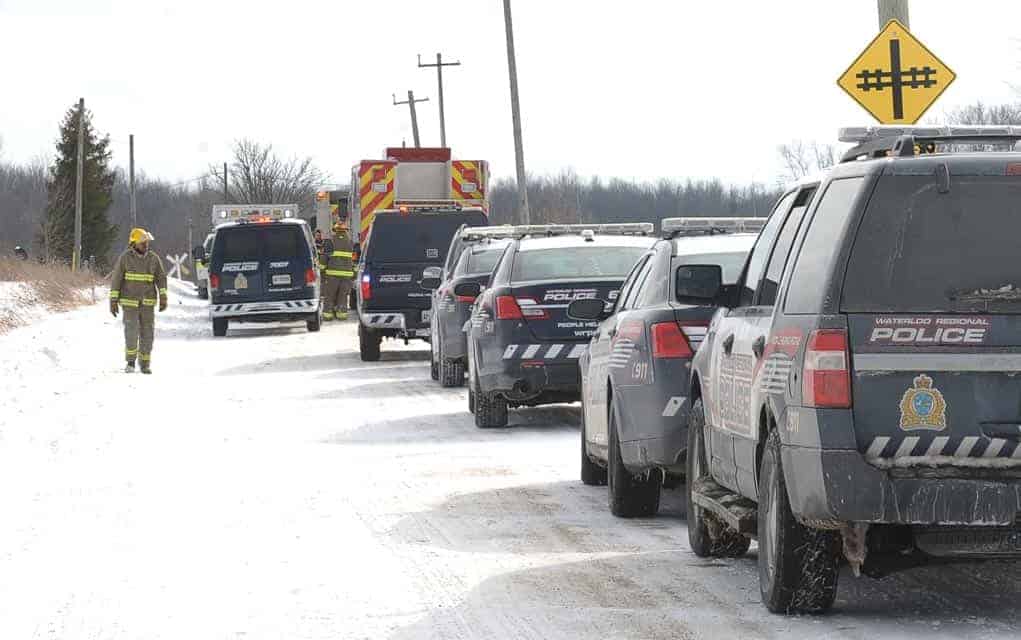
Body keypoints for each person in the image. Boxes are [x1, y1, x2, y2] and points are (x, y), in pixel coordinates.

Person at [109, 228, 167, 374]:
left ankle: (145, 363)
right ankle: (130, 362)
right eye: (142, 243)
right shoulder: (125, 258)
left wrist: (163, 296)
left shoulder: (154, 259)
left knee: (148, 334)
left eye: (146, 242)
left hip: (147, 303)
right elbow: (116, 279)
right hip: (130, 304)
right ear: (134, 244)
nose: (146, 245)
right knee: (131, 332)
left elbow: (161, 278)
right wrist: (113, 300)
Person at [321, 221, 355, 321]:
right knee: (343, 296)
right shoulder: (350, 242)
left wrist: (321, 270)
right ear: (345, 231)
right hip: (347, 275)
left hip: (332, 274)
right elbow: (353, 259)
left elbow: (324, 258)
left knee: (330, 295)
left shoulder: (330, 241)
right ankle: (342, 315)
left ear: (335, 230)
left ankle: (328, 315)